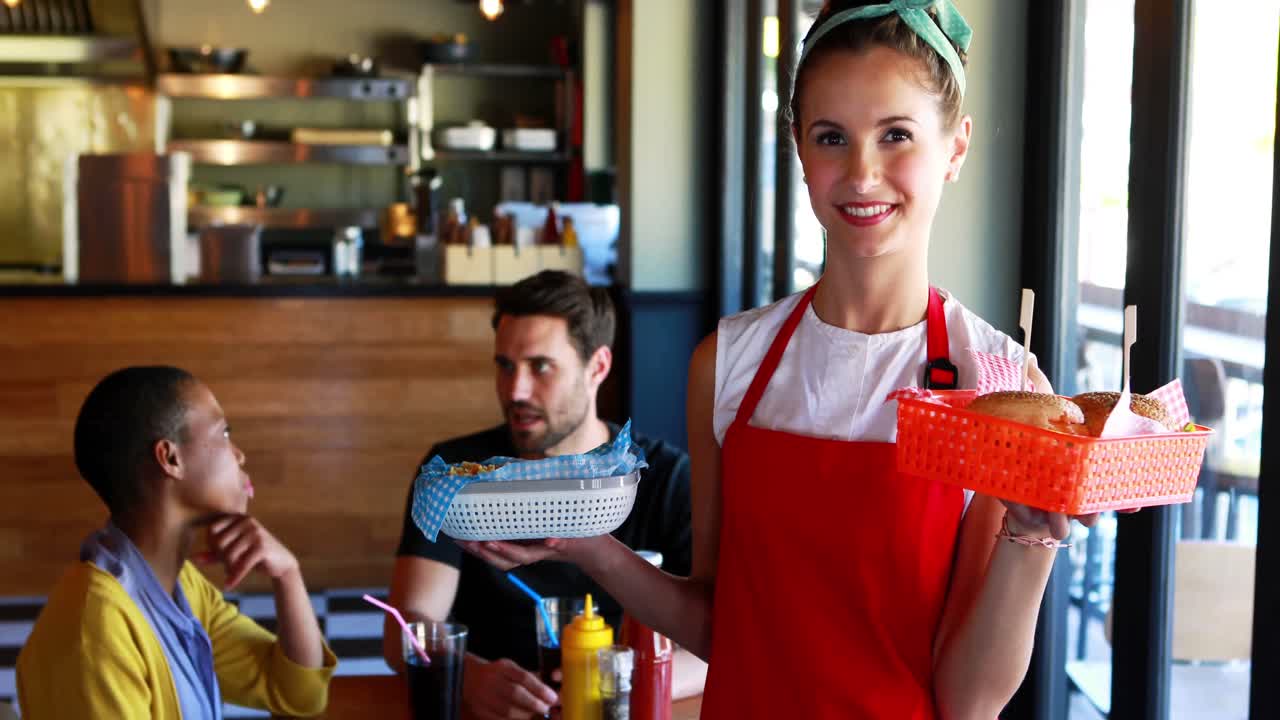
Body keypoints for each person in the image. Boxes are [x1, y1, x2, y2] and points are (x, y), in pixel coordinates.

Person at [454, 2, 1101, 717]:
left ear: (955, 148)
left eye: (896, 135)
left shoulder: (1000, 385)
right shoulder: (729, 363)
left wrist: (1029, 540)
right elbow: (716, 624)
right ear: (798, 146)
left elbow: (969, 700)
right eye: (832, 137)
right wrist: (589, 546)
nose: (862, 172)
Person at [385, 270, 707, 719]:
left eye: (540, 367)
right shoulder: (453, 476)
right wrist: (468, 677)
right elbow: (407, 622)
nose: (515, 390)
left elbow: (722, 643)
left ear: (597, 367)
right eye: (504, 366)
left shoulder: (664, 478)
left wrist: (612, 682)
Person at [17, 366, 336, 719]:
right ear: (171, 459)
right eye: (224, 432)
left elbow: (297, 694)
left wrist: (288, 575)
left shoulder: (182, 586)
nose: (240, 455)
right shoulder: (96, 629)